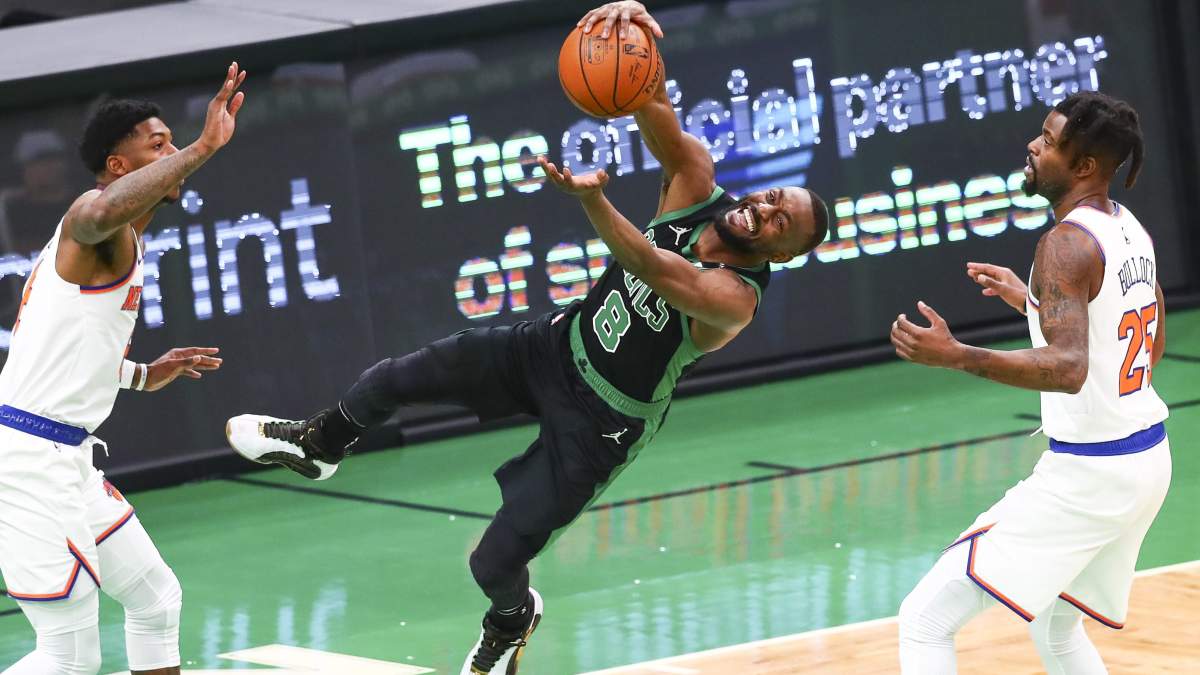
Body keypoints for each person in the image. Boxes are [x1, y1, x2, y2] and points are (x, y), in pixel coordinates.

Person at [226, 2, 828, 672]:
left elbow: (652, 266)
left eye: (781, 224)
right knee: (396, 376)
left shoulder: (735, 299)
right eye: (774, 198)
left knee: (493, 562)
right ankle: (319, 444)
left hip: (602, 422)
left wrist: (593, 199)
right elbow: (650, 97)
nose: (765, 210)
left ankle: (512, 620)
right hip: (555, 346)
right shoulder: (696, 181)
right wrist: (629, 25)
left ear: (783, 254)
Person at [891, 91, 1170, 674]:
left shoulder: (1066, 244)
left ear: (1084, 165)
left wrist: (956, 355)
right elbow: (1147, 341)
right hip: (1146, 461)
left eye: (1047, 141)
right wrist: (1036, 303)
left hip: (1091, 475)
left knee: (924, 620)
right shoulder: (1127, 227)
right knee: (1057, 626)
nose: (1032, 146)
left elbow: (1069, 369)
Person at [0, 63, 244, 675]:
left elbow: (67, 353)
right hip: (27, 465)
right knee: (68, 656)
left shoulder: (124, 242)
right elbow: (99, 210)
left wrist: (141, 374)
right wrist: (202, 148)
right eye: (158, 146)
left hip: (69, 458)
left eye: (173, 143)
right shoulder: (90, 220)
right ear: (118, 165)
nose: (173, 155)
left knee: (157, 599)